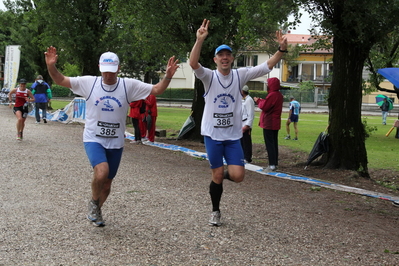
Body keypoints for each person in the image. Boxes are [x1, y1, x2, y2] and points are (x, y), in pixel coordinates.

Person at [45, 46, 179, 227]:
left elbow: (156, 89)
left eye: (112, 72)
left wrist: (168, 76)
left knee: (107, 184)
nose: (108, 76)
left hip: (116, 141)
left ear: (119, 69)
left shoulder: (128, 85)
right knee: (102, 172)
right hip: (94, 138)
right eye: (105, 72)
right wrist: (51, 66)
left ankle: (96, 209)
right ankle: (93, 202)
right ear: (100, 69)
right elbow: (60, 79)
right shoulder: (89, 83)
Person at [189, 19, 287, 226]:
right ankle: (215, 211)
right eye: (220, 55)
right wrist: (199, 40)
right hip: (213, 135)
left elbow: (267, 66)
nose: (224, 58)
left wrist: (281, 50)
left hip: (233, 136)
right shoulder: (208, 77)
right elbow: (193, 63)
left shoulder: (239, 75)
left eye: (228, 55)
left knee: (238, 176)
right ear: (215, 59)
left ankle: (220, 174)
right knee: (216, 176)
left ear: (232, 58)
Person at [253, 78, 284, 172]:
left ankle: (272, 165)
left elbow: (265, 106)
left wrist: (258, 101)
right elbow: (268, 104)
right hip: (275, 122)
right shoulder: (279, 95)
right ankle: (274, 163)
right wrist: (262, 100)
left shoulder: (272, 95)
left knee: (269, 144)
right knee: (274, 143)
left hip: (269, 123)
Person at [240, 85, 255, 163]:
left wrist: (248, 125)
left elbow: (250, 114)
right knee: (241, 141)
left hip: (245, 124)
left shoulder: (249, 100)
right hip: (241, 123)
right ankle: (242, 156)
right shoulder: (242, 99)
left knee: (246, 141)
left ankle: (247, 157)